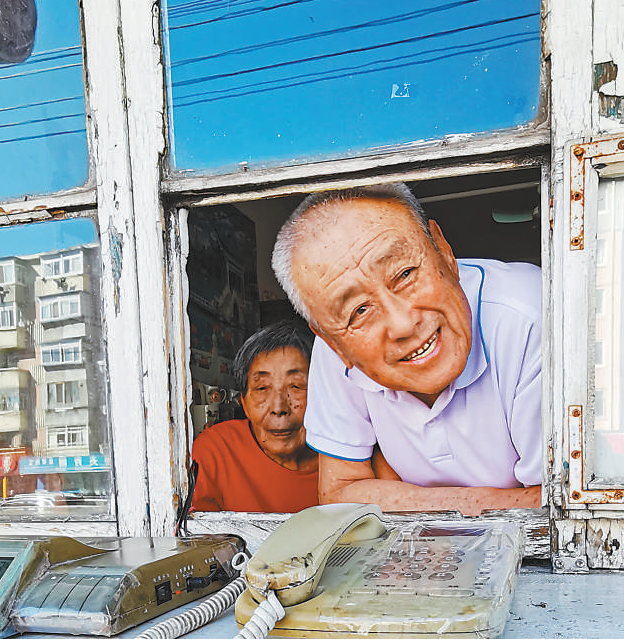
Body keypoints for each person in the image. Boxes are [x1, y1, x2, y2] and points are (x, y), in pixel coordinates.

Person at [270, 183, 541, 515]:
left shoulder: (530, 318)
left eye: (404, 274)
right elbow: (340, 493)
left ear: (443, 251)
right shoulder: (338, 341)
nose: (402, 324)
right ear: (331, 341)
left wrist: (394, 489)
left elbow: (557, 508)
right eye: (360, 310)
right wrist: (477, 503)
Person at [190, 322, 319, 512]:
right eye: (262, 388)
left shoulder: (348, 461)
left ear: (322, 395)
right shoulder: (217, 450)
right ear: (244, 402)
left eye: (296, 386)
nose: (278, 408)